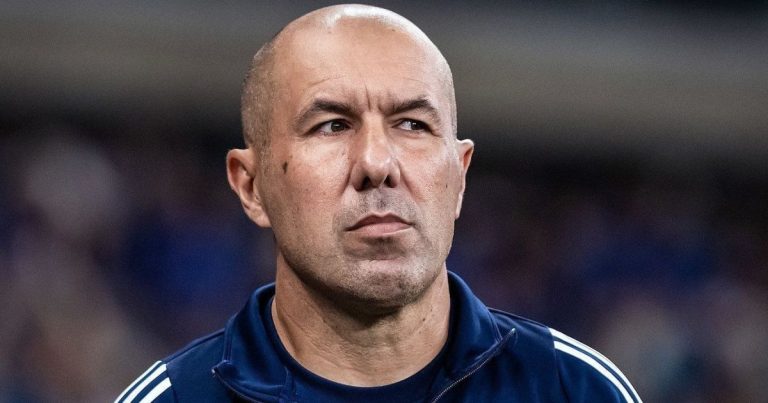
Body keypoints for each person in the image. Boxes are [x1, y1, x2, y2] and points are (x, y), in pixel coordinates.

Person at [116, 4, 642, 402]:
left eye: (412, 124)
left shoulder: (576, 389)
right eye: (332, 125)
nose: (377, 162)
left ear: (459, 178)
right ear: (251, 187)